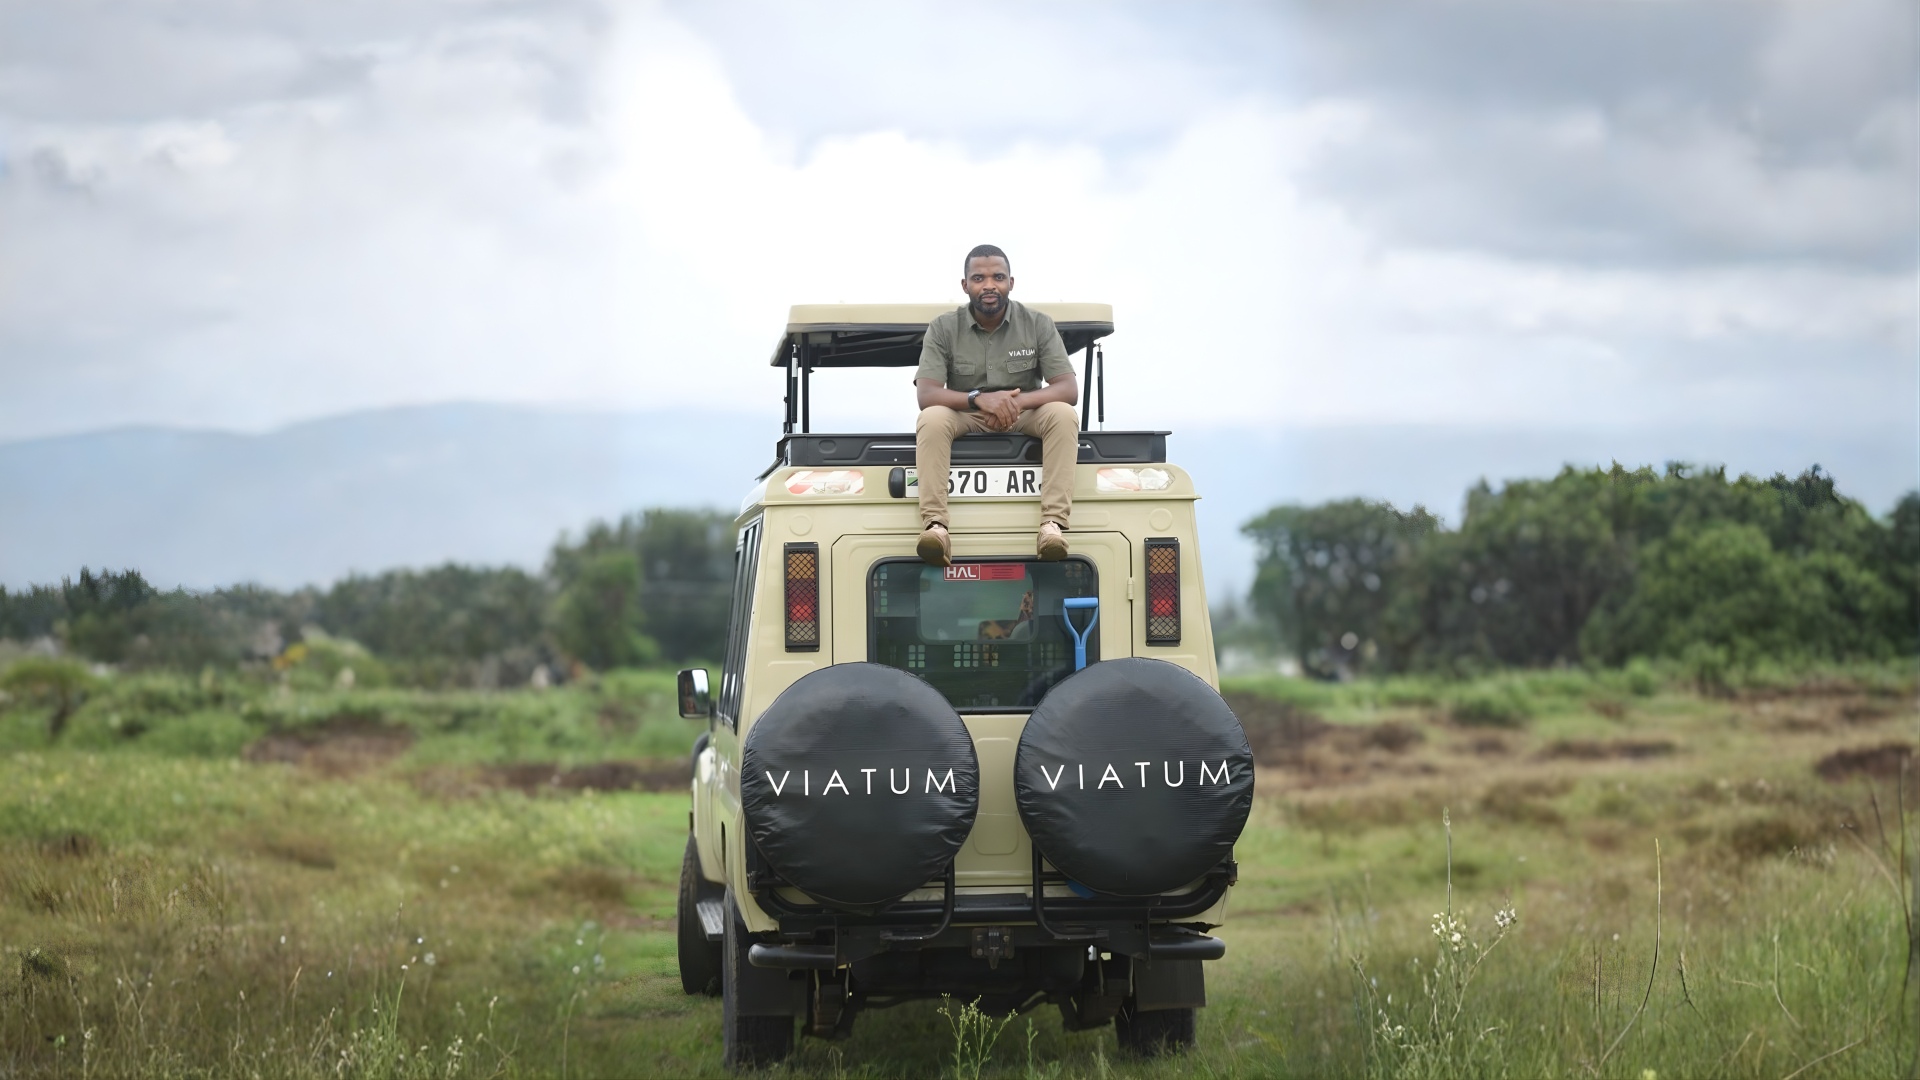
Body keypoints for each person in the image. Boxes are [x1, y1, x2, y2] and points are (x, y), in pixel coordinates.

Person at [913, 244, 1080, 567]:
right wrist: (979, 400)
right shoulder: (943, 328)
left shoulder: (1038, 324)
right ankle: (936, 527)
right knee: (932, 418)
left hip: (1024, 414)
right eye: (979, 277)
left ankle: (1052, 526)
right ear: (965, 285)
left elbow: (1067, 388)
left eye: (997, 277)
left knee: (1062, 413)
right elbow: (927, 394)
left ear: (1011, 283)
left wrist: (1013, 402)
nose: (989, 285)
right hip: (967, 414)